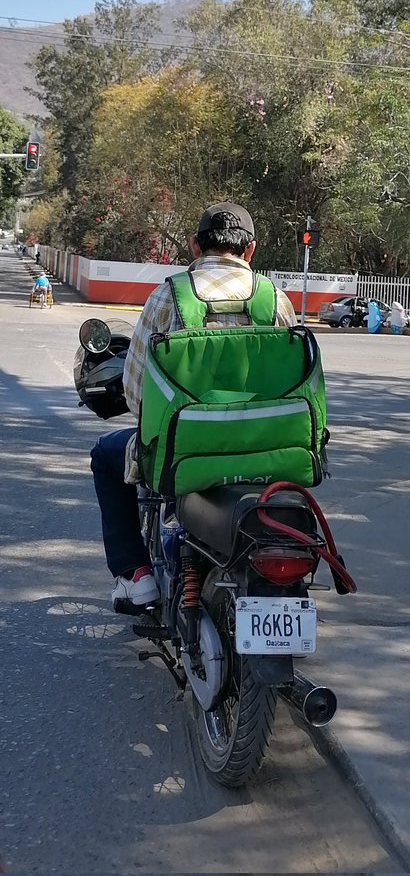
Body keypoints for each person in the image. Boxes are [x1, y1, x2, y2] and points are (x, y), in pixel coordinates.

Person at [90, 203, 297, 608]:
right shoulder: (277, 302)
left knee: (104, 455)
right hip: (266, 452)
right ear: (250, 250)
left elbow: (137, 397)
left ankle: (135, 575)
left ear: (194, 246)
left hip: (182, 456)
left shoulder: (168, 297)